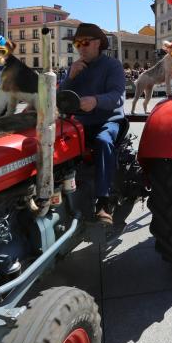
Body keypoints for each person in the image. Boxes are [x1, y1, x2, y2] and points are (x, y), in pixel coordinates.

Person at [60, 23, 126, 224]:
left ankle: (104, 202)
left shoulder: (112, 66)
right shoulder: (75, 68)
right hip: (80, 123)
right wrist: (70, 78)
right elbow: (59, 97)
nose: (80, 47)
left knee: (103, 141)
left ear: (98, 43)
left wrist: (96, 101)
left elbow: (118, 97)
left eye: (85, 43)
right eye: (77, 43)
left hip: (109, 120)